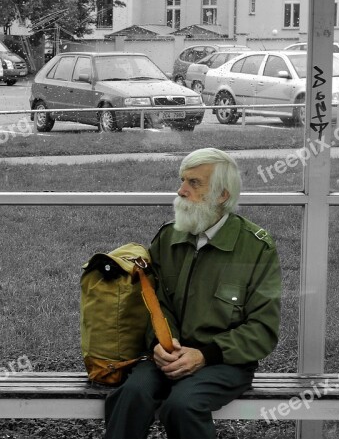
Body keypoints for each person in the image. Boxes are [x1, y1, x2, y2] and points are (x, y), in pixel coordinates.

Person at [105, 147, 281, 439]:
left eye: (193, 183)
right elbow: (155, 303)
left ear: (222, 195)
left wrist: (205, 355)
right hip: (167, 355)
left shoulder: (256, 248)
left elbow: (262, 329)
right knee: (131, 394)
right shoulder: (169, 237)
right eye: (182, 180)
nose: (181, 191)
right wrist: (164, 343)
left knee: (183, 405)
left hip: (223, 362)